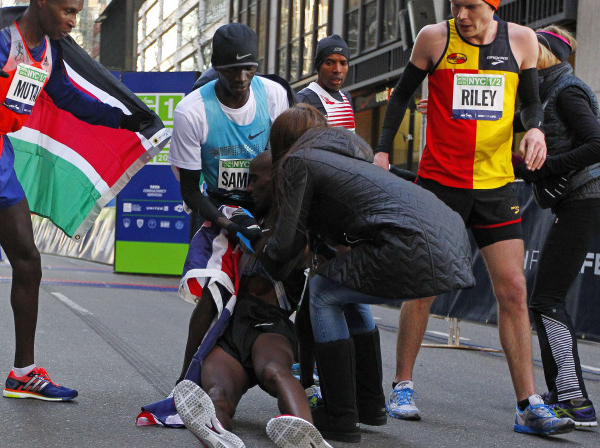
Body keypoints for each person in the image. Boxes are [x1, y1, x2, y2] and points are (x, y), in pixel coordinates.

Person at [0, 0, 149, 417]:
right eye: (68, 11)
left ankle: (23, 373)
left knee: (28, 261)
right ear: (40, 3)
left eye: (78, 12)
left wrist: (124, 119)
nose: (73, 20)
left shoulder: (50, 52)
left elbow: (69, 97)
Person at [372, 0, 575, 436]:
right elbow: (403, 94)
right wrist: (383, 148)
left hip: (495, 184)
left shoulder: (521, 40)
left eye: (468, 5)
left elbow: (532, 106)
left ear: (492, 4)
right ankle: (402, 385)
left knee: (515, 290)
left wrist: (535, 129)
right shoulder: (434, 38)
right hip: (441, 182)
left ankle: (527, 404)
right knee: (425, 283)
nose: (460, 14)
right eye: (454, 4)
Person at [257, 104, 475, 442]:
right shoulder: (354, 154)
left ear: (283, 142)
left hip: (412, 245)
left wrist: (259, 254)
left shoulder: (299, 161)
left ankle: (340, 415)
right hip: (451, 240)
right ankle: (369, 404)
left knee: (323, 293)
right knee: (342, 286)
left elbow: (286, 244)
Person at [173, 152, 331, 448]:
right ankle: (219, 437)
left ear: (280, 183)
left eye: (255, 180)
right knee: (217, 393)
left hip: (269, 327)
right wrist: (184, 377)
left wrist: (309, 372)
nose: (247, 188)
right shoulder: (237, 222)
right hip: (232, 331)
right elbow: (208, 302)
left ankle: (307, 435)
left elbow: (298, 261)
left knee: (273, 370)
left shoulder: (297, 232)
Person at [168, 23, 290, 385]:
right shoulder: (192, 112)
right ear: (215, 69)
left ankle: (305, 378)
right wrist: (229, 224)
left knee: (294, 290)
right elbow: (191, 192)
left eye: (248, 68)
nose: (241, 77)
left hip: (271, 204)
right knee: (215, 292)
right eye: (231, 70)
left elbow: (290, 162)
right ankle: (186, 382)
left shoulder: (272, 96)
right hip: (220, 207)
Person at [515, 26, 600, 428]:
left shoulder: (567, 91)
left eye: (529, 48)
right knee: (546, 298)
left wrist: (545, 169)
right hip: (578, 202)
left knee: (545, 299)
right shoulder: (544, 93)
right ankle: (566, 394)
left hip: (585, 201)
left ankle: (573, 400)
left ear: (547, 53)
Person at [293, 34, 388, 427]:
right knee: (333, 297)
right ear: (318, 65)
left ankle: (333, 395)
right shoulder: (307, 99)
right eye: (330, 62)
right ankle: (366, 401)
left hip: (339, 211)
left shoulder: (345, 100)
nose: (337, 69)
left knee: (326, 297)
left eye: (343, 63)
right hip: (327, 206)